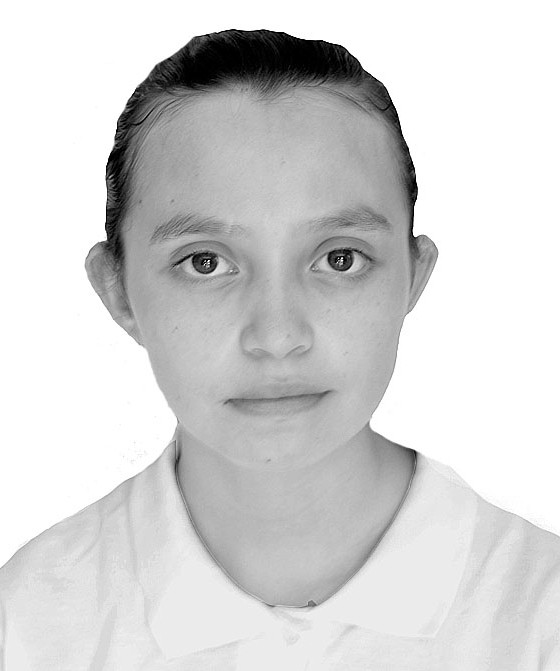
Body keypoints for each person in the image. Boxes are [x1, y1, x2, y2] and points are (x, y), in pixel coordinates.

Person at [0, 28, 558, 670]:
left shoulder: (542, 618)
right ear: (118, 290)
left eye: (340, 258)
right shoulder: (28, 628)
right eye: (205, 262)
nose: (277, 337)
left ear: (414, 275)